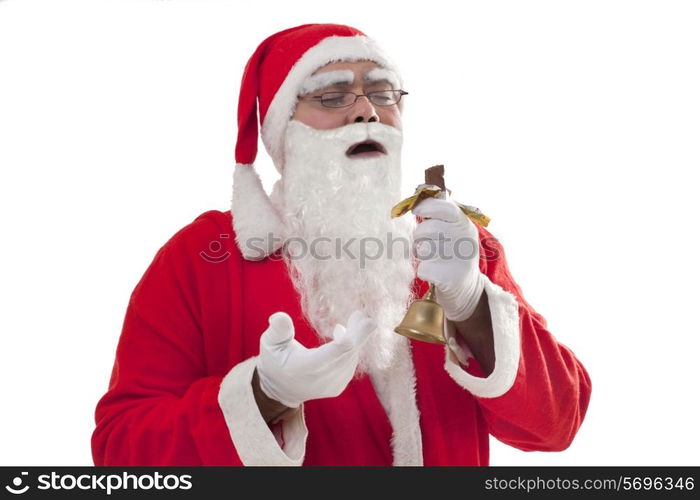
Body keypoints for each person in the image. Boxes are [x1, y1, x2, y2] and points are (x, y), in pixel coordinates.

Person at [91, 23, 592, 466]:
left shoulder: (454, 244)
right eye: (332, 96)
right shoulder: (201, 256)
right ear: (284, 130)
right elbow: (121, 450)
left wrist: (472, 303)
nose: (366, 112)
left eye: (383, 93)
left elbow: (558, 422)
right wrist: (265, 395)